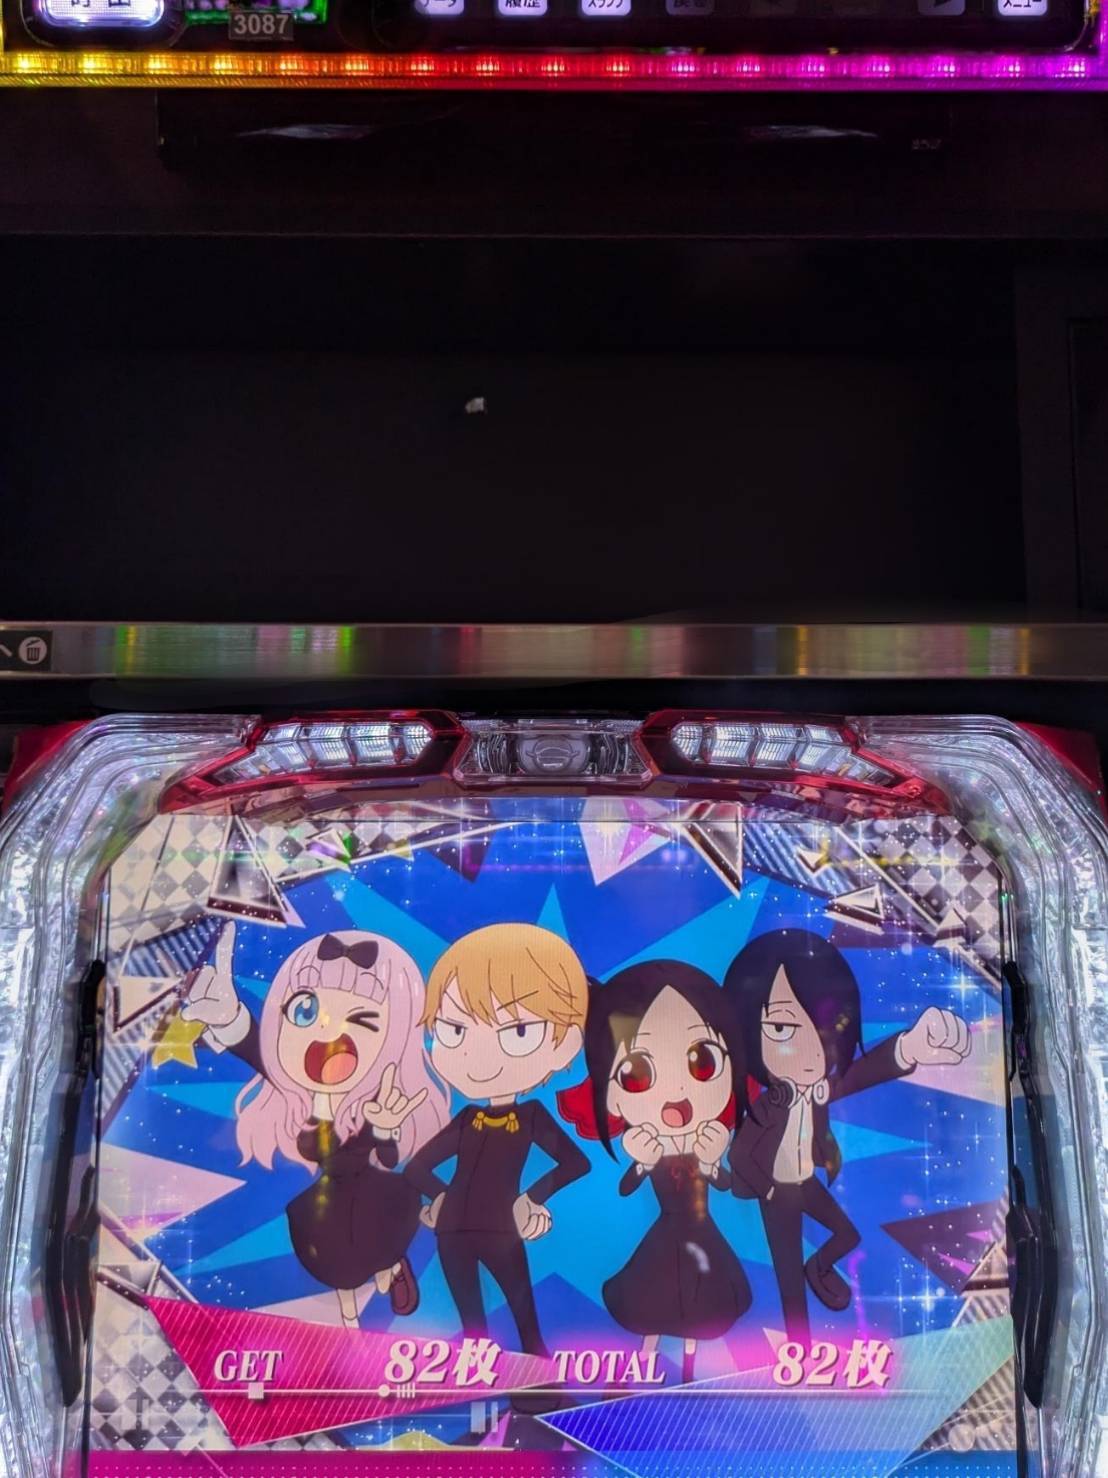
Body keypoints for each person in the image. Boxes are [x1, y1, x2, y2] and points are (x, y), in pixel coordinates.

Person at [182, 924, 450, 1329]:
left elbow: (389, 1155)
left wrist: (381, 1127)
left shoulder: (383, 1097)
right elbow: (265, 1057)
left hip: (373, 1200)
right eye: (305, 1011)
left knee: (361, 1241)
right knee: (333, 1253)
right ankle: (352, 1317)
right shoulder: (302, 1094)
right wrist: (233, 1020)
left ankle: (388, 1269)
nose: (328, 1032)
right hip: (330, 1202)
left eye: (362, 1021)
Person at [724, 928, 971, 1344]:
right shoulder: (768, 1104)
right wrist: (766, 1188)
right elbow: (740, 1154)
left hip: (804, 1182)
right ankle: (799, 1351)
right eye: (782, 1028)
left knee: (847, 1235)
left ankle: (818, 1267)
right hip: (777, 1195)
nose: (808, 1048)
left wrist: (909, 1047)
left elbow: (860, 1073)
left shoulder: (819, 1088)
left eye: (823, 1027)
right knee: (787, 1277)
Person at [558, 959, 751, 1384]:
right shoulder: (649, 1146)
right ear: (609, 1093)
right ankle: (642, 1367)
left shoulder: (707, 1141)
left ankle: (690, 1374)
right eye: (635, 1074)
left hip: (701, 1234)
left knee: (698, 1308)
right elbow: (628, 1186)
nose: (677, 1091)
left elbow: (725, 1184)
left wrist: (713, 1161)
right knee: (652, 1306)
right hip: (666, 1235)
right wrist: (644, 1161)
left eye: (702, 1062)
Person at [404, 923, 590, 1363]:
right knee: (474, 1334)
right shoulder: (467, 1118)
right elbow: (416, 1168)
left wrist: (532, 1198)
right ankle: (480, 1396)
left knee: (528, 1327)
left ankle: (541, 1391)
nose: (477, 1054)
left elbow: (575, 1163)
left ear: (564, 1045)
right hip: (452, 1230)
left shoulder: (530, 1117)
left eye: (517, 1031)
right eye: (454, 1030)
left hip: (502, 1228)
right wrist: (441, 1197)